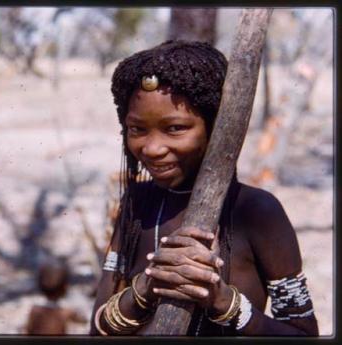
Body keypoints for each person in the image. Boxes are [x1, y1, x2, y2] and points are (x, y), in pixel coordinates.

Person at [89, 40, 318, 336]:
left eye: (175, 128)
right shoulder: (137, 204)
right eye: (137, 129)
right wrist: (146, 288)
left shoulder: (258, 211)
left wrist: (226, 303)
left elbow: (304, 334)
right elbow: (97, 330)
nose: (153, 148)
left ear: (216, 127)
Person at [26, 256, 86, 335]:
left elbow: (28, 331)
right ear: (65, 288)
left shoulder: (35, 311)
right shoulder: (65, 313)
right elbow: (84, 321)